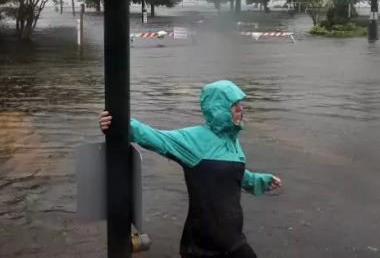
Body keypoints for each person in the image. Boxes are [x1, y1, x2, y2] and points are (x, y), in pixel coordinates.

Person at [99, 80, 281, 258]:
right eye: (235, 105)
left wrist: (258, 181)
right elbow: (154, 137)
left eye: (241, 104)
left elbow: (230, 175)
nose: (241, 109)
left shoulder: (232, 142)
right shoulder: (194, 141)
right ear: (219, 109)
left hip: (233, 240)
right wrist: (116, 122)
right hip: (202, 245)